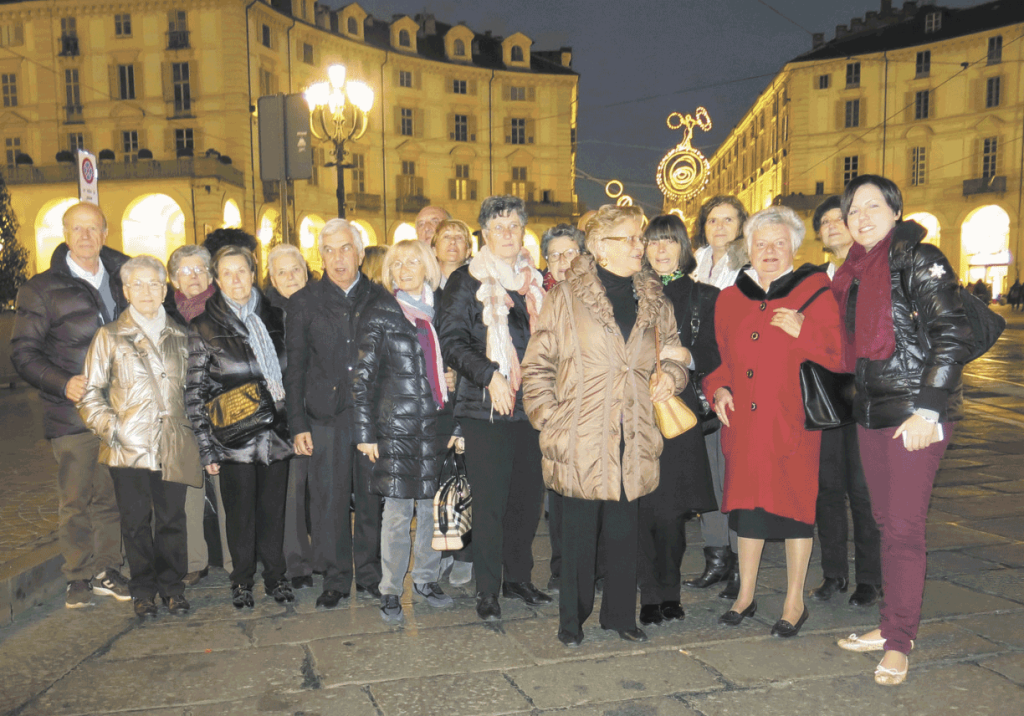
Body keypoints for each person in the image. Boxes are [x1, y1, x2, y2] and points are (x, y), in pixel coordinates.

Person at [522, 204, 686, 646]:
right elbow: (537, 365)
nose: (641, 246)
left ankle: (619, 616)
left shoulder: (654, 296)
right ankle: (570, 622)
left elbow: (673, 352)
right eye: (630, 239)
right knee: (577, 533)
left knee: (624, 528)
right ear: (599, 247)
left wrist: (671, 377)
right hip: (580, 428)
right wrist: (547, 418)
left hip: (634, 428)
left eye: (641, 238)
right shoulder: (565, 295)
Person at [833, 175, 973, 685]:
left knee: (905, 526)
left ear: (895, 212)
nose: (862, 216)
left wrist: (929, 410)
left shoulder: (919, 258)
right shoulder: (851, 270)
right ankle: (891, 624)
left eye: (873, 206)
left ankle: (898, 641)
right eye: (853, 210)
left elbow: (951, 334)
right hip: (872, 411)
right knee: (883, 520)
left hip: (916, 411)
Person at [704, 206, 843, 638]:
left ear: (794, 248)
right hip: (743, 424)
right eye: (761, 243)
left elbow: (839, 355)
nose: (769, 251)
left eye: (779, 243)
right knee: (746, 512)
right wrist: (719, 390)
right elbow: (719, 359)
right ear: (749, 247)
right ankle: (745, 595)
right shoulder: (730, 297)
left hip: (791, 423)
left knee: (795, 511)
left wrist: (806, 331)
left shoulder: (815, 291)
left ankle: (794, 600)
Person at [10, 202, 131, 608]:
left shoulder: (122, 279)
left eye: (92, 228)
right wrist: (63, 384)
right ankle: (77, 574)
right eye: (77, 229)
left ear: (105, 232)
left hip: (117, 412)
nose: (85, 236)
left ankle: (108, 569)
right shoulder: (40, 288)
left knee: (110, 496)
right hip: (72, 413)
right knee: (75, 497)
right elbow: (23, 353)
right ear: (65, 235)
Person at [438, 195, 552, 622]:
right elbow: (452, 342)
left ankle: (518, 577)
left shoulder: (533, 281)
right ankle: (488, 589)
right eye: (498, 227)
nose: (506, 234)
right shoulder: (467, 281)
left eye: (514, 226)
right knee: (490, 503)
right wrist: (491, 374)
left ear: (523, 233)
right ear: (484, 235)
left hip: (533, 407)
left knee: (526, 498)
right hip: (486, 407)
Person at [78, 256, 194, 617]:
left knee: (173, 519)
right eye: (138, 284)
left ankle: (172, 586)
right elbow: (89, 394)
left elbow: (192, 390)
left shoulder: (181, 335)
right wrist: (114, 430)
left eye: (154, 284)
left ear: (165, 290)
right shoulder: (109, 336)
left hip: (172, 443)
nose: (147, 291)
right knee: (135, 521)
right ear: (126, 291)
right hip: (127, 449)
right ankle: (143, 589)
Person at [353, 240, 460, 622]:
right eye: (398, 263)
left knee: (432, 511)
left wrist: (453, 380)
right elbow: (362, 379)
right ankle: (390, 589)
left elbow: (454, 361)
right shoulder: (380, 312)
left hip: (436, 424)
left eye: (415, 261)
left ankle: (427, 579)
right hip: (395, 428)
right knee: (397, 513)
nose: (406, 268)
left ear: (428, 265)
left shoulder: (441, 311)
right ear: (390, 271)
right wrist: (365, 434)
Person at [284, 219, 387, 609]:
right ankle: (336, 577)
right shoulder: (304, 302)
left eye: (346, 249)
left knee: (369, 499)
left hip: (369, 420)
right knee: (327, 501)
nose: (338, 257)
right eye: (329, 250)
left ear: (360, 253)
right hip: (324, 419)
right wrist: (298, 423)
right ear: (320, 256)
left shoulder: (379, 299)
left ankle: (371, 575)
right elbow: (295, 369)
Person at [185, 244, 295, 609]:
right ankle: (242, 579)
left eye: (242, 271)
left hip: (275, 436)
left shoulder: (275, 317)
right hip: (233, 440)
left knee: (273, 514)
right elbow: (195, 392)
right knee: (240, 517)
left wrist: (295, 427)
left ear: (253, 274)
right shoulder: (203, 326)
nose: (236, 279)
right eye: (227, 273)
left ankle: (276, 577)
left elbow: (292, 377)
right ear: (217, 281)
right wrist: (206, 447)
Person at [637, 214, 719, 627]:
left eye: (669, 241)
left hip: (678, 410)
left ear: (684, 247)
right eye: (653, 242)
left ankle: (668, 590)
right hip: (634, 410)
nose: (662, 250)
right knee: (641, 508)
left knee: (670, 512)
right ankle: (648, 593)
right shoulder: (632, 292)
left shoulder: (705, 296)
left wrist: (683, 358)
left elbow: (714, 353)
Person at [809, 197, 882, 607]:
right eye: (825, 221)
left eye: (841, 218)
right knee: (827, 488)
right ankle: (833, 573)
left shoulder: (872, 270)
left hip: (869, 391)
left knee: (863, 489)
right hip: (827, 393)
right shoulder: (814, 278)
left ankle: (871, 578)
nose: (833, 225)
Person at [685, 195, 749, 600]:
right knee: (706, 470)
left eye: (728, 219)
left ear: (741, 224)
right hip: (701, 377)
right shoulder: (693, 262)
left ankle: (744, 562)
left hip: (739, 378)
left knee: (737, 472)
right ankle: (716, 556)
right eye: (713, 219)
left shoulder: (751, 264)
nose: (720, 226)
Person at [536, 222, 587, 592]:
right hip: (552, 409)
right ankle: (561, 568)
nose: (563, 260)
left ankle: (592, 566)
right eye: (555, 255)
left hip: (590, 406)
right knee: (558, 492)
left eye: (570, 252)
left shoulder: (594, 294)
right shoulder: (533, 296)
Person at [165, 244, 220, 587]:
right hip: (181, 417)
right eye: (185, 271)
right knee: (189, 493)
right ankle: (195, 561)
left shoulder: (226, 308)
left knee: (228, 492)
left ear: (211, 275)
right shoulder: (165, 315)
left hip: (221, 413)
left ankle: (235, 560)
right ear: (173, 280)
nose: (194, 277)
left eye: (200, 269)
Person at [540, 223, 585, 291]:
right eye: (554, 255)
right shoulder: (537, 296)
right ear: (548, 263)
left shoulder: (597, 292)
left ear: (583, 257)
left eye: (569, 253)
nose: (562, 261)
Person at [432, 218, 473, 288]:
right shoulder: (424, 282)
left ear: (468, 251)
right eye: (446, 237)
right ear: (434, 250)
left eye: (459, 237)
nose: (453, 241)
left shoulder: (479, 280)